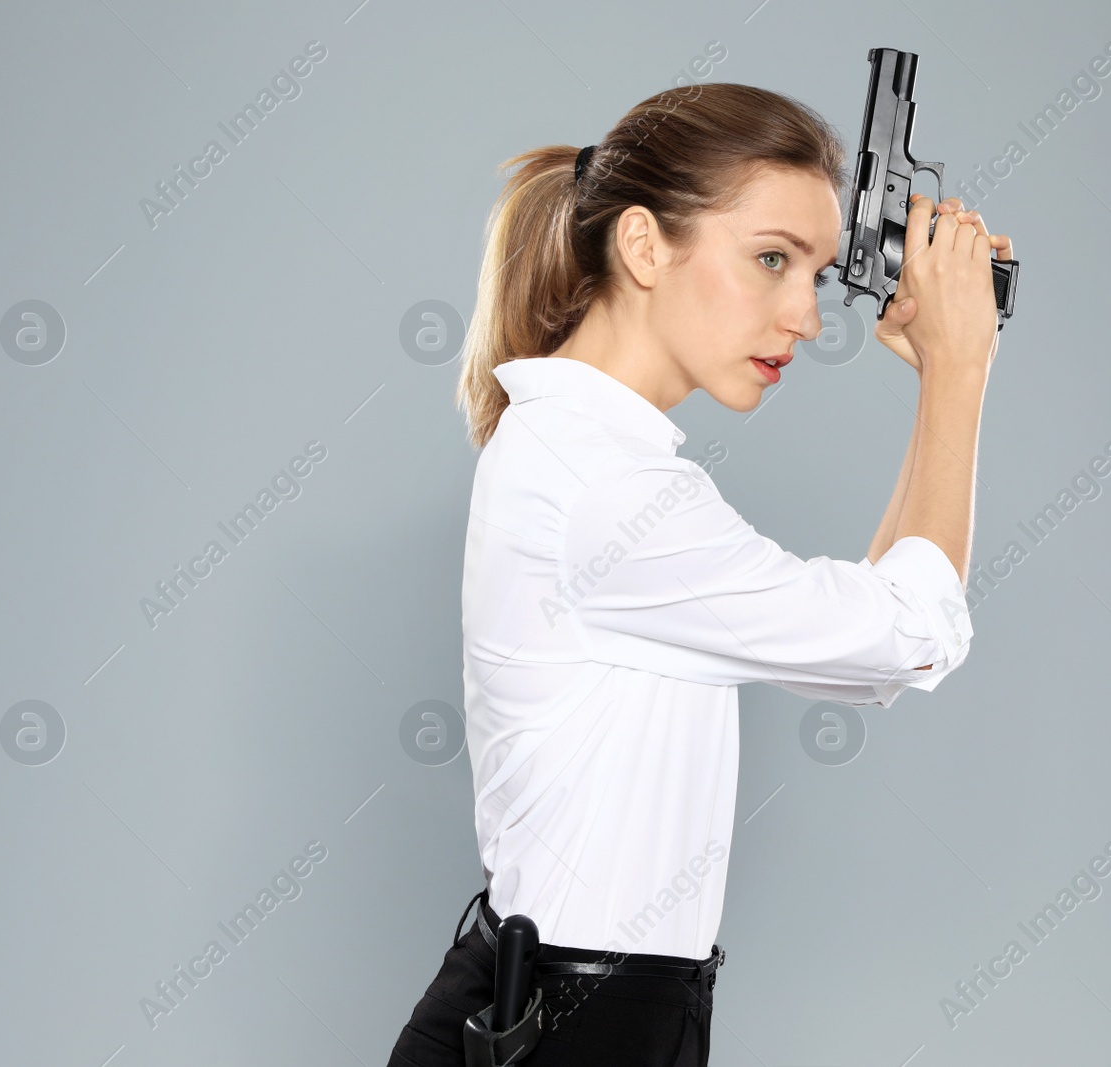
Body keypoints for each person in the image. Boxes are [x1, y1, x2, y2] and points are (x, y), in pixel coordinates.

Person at [388, 80, 1012, 1067]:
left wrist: (945, 373)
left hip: (576, 1013)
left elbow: (866, 651)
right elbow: (909, 635)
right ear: (643, 246)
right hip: (570, 1025)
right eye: (770, 259)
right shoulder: (608, 490)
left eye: (811, 271)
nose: (804, 316)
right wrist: (959, 372)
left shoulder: (583, 456)